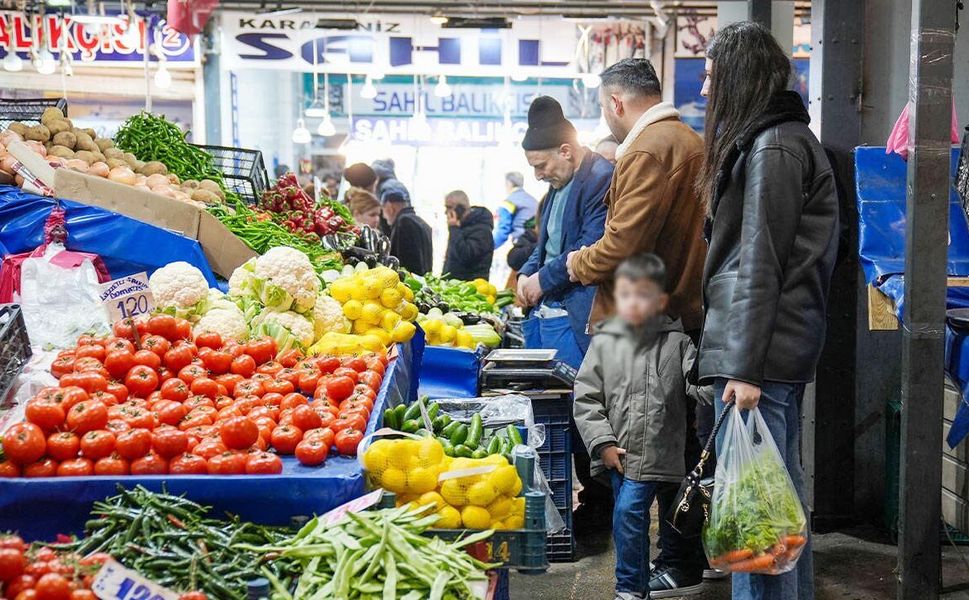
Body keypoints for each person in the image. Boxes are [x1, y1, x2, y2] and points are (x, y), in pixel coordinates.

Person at [698, 22, 839, 600]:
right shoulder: (777, 140)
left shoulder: (774, 146)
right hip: (772, 348)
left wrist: (744, 368)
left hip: (760, 355)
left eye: (710, 76)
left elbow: (761, 263)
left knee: (754, 514)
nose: (706, 91)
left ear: (737, 77)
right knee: (780, 501)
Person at [564, 57, 710, 593]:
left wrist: (573, 265)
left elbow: (621, 246)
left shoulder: (648, 149)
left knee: (646, 461)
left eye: (605, 108)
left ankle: (673, 561)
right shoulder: (688, 142)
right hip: (679, 314)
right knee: (681, 447)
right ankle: (681, 556)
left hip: (646, 323)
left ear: (616, 102)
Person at [573, 254, 711, 600]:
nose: (633, 304)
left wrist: (717, 379)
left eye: (643, 295)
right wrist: (602, 443)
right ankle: (631, 587)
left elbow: (700, 388)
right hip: (626, 457)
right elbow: (586, 399)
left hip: (669, 455)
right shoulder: (604, 346)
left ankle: (674, 569)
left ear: (661, 302)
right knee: (628, 519)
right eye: (626, 295)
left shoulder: (679, 345)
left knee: (674, 519)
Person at [516, 95, 614, 524]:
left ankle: (600, 503)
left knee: (591, 412)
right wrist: (526, 273)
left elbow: (588, 249)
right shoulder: (556, 189)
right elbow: (545, 246)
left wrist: (543, 280)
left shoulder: (600, 180)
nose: (538, 176)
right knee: (567, 411)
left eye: (542, 166)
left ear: (567, 151)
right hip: (554, 322)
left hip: (586, 319)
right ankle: (589, 502)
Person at [380, 181, 434, 276]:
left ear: (390, 207)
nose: (383, 216)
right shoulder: (421, 221)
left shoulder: (404, 222)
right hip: (422, 280)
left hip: (410, 282)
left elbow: (405, 263)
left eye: (383, 209)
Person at [442, 190, 495, 281]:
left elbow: (465, 255)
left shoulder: (482, 230)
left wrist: (454, 229)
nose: (446, 212)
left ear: (460, 209)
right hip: (454, 285)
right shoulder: (461, 227)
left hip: (470, 287)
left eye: (449, 207)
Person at [493, 172, 538, 250]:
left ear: (509, 183)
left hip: (521, 245)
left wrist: (489, 248)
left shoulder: (508, 202)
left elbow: (503, 231)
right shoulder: (534, 201)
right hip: (537, 245)